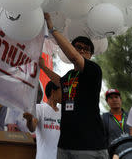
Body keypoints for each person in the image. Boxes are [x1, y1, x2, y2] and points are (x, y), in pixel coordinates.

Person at [40, 13, 108, 158]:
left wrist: (52, 30)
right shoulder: (70, 75)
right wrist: (44, 68)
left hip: (89, 146)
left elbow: (74, 57)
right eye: (78, 47)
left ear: (90, 55)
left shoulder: (93, 70)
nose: (82, 50)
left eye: (86, 49)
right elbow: (59, 81)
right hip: (65, 145)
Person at [23, 81, 62, 159]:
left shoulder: (63, 110)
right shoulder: (39, 108)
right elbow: (32, 128)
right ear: (53, 92)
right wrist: (29, 120)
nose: (64, 93)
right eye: (61, 90)